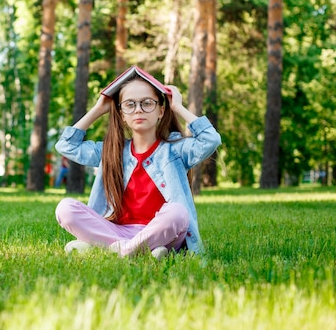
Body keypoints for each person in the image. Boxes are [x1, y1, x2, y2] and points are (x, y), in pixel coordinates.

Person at [54, 70, 221, 260]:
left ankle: (111, 249)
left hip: (161, 231)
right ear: (121, 114)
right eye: (129, 105)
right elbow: (66, 145)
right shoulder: (111, 152)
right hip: (117, 230)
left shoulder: (174, 150)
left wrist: (178, 107)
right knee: (65, 208)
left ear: (161, 111)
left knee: (178, 212)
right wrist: (98, 109)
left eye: (147, 103)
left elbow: (211, 140)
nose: (138, 109)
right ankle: (141, 251)